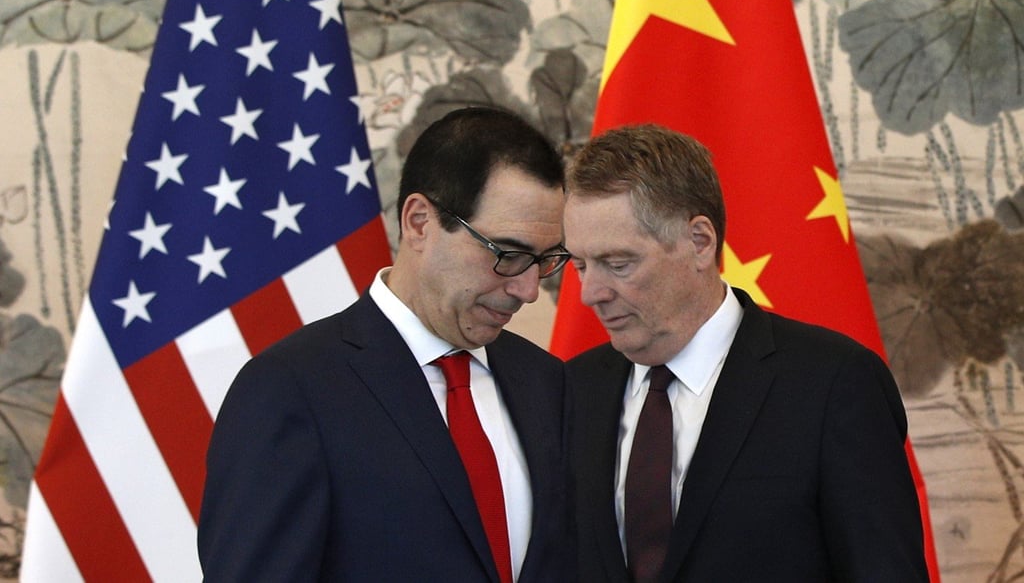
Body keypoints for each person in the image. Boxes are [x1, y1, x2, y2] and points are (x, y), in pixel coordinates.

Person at [198, 107, 573, 582]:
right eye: (508, 255)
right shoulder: (291, 389)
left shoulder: (546, 380)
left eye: (545, 260)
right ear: (419, 222)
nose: (528, 289)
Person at [563, 124, 928, 582]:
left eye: (618, 264)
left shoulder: (834, 384)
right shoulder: (571, 389)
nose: (590, 293)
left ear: (700, 242)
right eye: (579, 265)